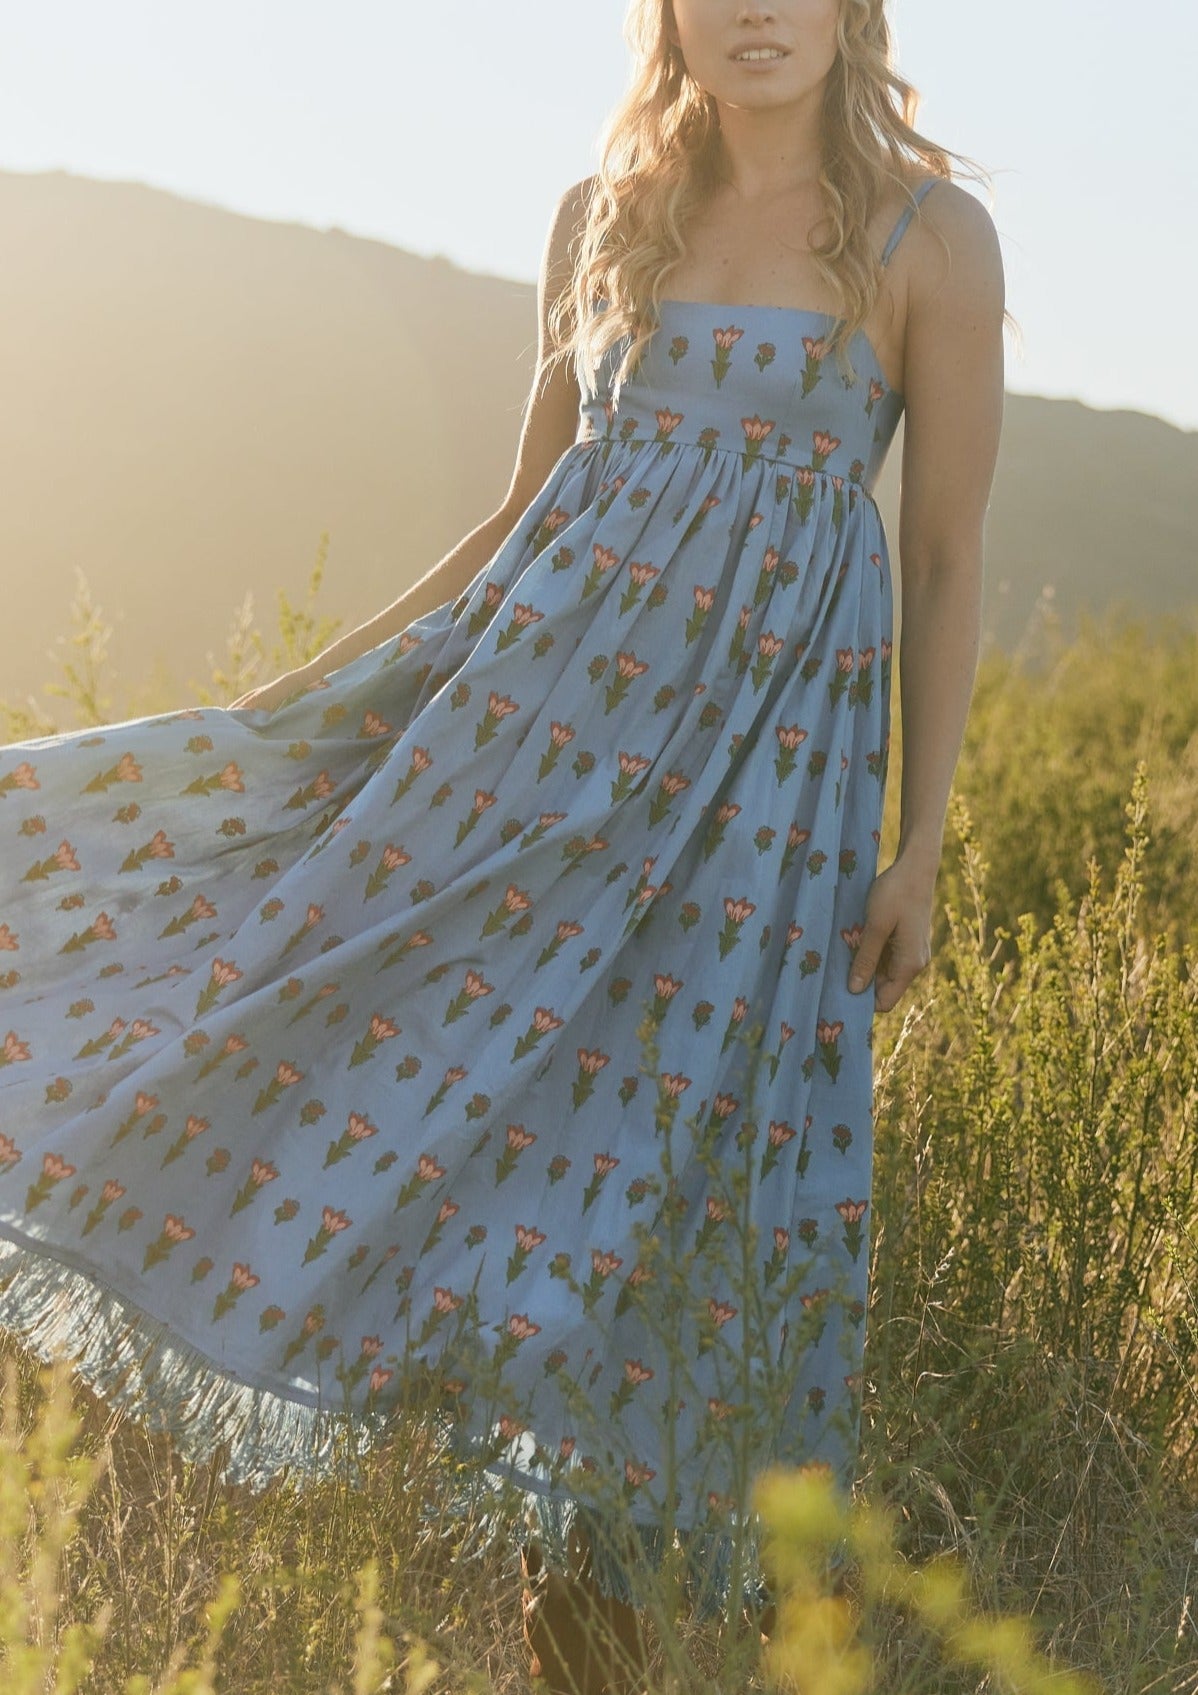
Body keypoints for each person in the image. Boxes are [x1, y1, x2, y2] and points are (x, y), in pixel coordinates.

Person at [0, 1, 1004, 1689]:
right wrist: (316, 689)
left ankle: (584, 1632)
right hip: (527, 749)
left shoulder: (927, 231)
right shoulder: (604, 213)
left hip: (759, 794)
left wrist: (921, 844)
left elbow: (949, 555)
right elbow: (523, 512)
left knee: (680, 1161)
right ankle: (126, 1477)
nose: (753, 13)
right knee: (338, 1017)